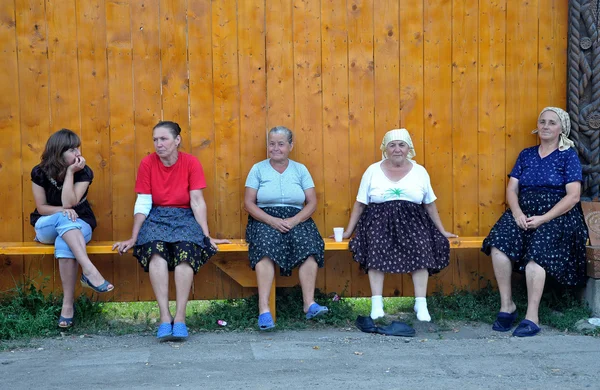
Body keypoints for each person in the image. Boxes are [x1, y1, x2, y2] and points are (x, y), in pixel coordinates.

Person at [112, 121, 229, 340]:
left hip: (184, 218)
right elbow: (143, 203)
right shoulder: (147, 163)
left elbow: (197, 201)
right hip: (157, 217)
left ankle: (181, 318)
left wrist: (205, 236)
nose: (158, 144)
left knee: (186, 254)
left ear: (177, 140)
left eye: (163, 139)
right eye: (155, 139)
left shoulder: (191, 163)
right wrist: (134, 237)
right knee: (156, 253)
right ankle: (165, 318)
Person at [481, 107, 588, 337]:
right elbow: (512, 189)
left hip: (558, 216)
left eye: (552, 122)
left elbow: (573, 196)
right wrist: (518, 213)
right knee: (498, 243)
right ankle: (507, 306)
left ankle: (532, 316)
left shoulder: (567, 155)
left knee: (535, 258)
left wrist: (543, 218)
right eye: (542, 122)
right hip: (524, 212)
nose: (546, 126)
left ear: (562, 129)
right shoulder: (526, 154)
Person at [342, 129, 456, 322]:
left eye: (401, 145)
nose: (397, 149)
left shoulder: (420, 171)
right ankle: (377, 305)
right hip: (378, 220)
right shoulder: (372, 170)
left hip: (413, 221)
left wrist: (442, 230)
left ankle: (421, 304)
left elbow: (429, 203)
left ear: (408, 148)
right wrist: (348, 231)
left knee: (422, 246)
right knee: (376, 246)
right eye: (392, 145)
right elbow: (360, 203)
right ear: (385, 149)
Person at [244, 126, 329, 330]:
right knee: (264, 247)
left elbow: (311, 203)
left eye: (281, 144)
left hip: (296, 217)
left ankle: (309, 304)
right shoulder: (258, 169)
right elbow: (249, 203)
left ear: (291, 146)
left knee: (309, 244)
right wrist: (271, 220)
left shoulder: (300, 170)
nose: (275, 148)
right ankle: (264, 310)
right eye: (272, 144)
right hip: (265, 218)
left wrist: (295, 220)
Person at [31, 129, 113, 329]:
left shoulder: (84, 172)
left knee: (64, 240)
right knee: (63, 218)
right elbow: (43, 208)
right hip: (47, 224)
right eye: (71, 149)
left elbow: (70, 202)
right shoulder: (39, 172)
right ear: (58, 153)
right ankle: (89, 270)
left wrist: (70, 173)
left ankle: (67, 306)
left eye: (78, 148)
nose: (78, 153)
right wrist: (62, 212)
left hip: (79, 223)